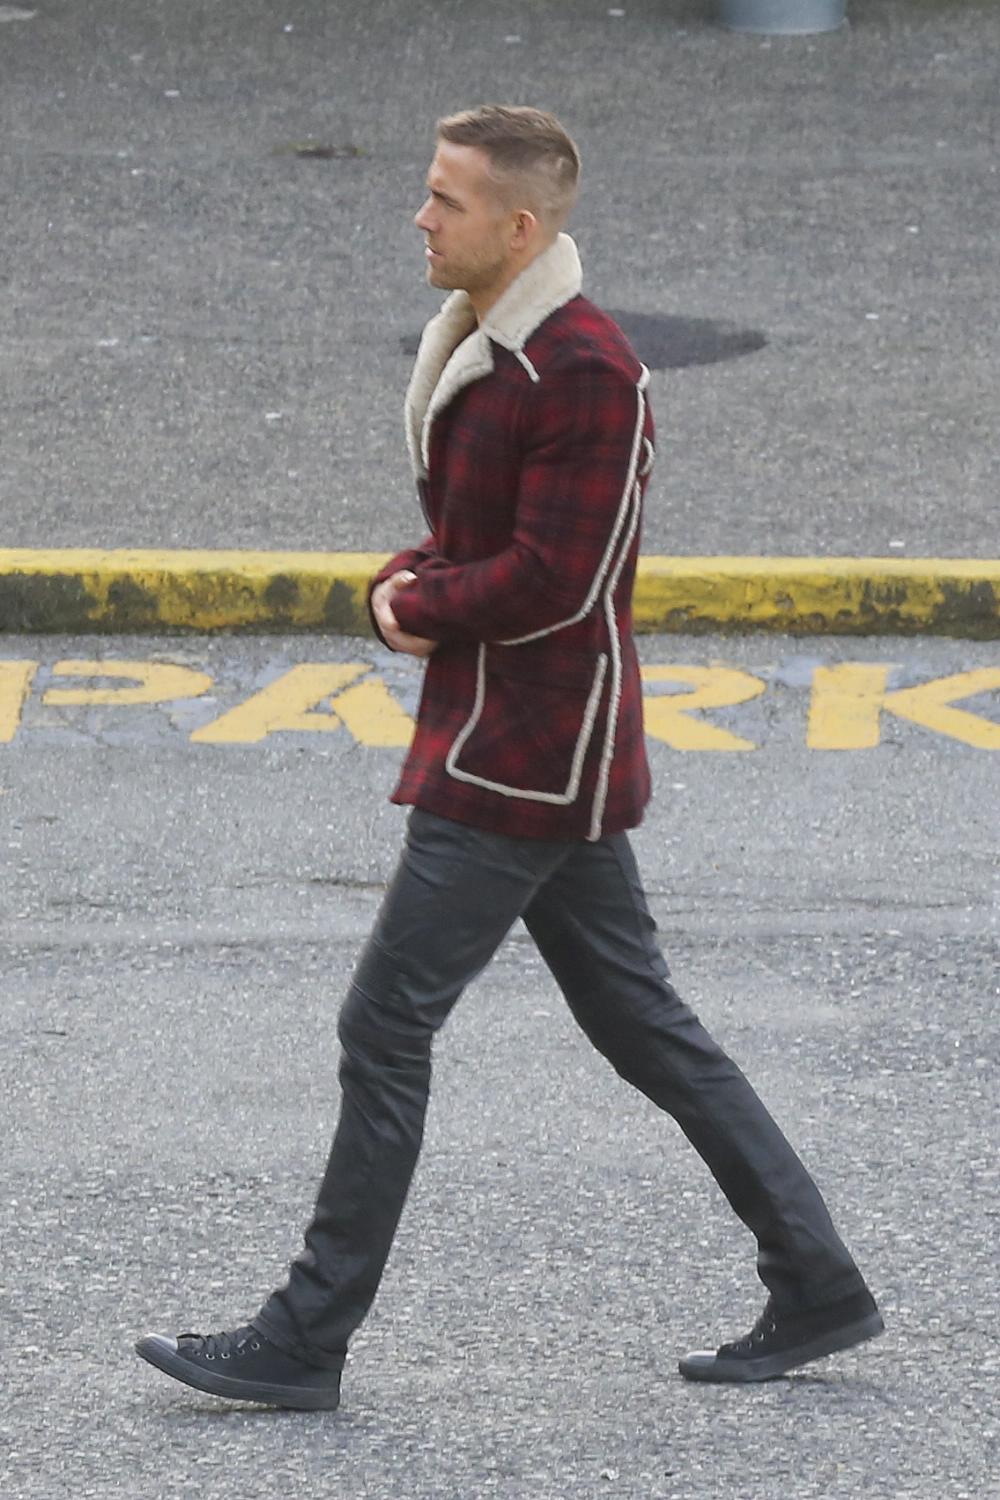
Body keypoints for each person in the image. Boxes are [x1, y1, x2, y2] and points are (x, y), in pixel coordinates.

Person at [135, 105, 882, 1410]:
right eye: (428, 191)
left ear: (519, 227)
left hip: (524, 756)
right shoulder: (491, 342)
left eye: (447, 199)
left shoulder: (583, 372)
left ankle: (305, 1337)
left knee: (386, 1024)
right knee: (645, 1025)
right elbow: (474, 534)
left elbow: (557, 579)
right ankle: (818, 1282)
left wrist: (414, 605)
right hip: (514, 738)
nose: (421, 217)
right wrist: (403, 581)